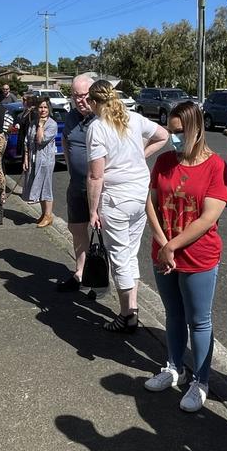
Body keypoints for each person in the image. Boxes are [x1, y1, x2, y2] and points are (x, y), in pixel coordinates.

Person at [144, 102, 227, 413]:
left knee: (199, 320)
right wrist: (163, 242)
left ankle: (201, 380)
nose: (174, 137)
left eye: (180, 132)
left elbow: (208, 218)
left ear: (197, 130)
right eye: (171, 130)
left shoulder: (215, 166)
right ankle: (173, 367)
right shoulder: (165, 161)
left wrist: (173, 245)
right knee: (173, 315)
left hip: (198, 256)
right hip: (164, 252)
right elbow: (150, 203)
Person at [86, 80, 169, 332]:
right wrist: (139, 156)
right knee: (130, 253)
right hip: (140, 195)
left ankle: (126, 315)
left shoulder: (97, 127)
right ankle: (132, 307)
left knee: (120, 257)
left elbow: (96, 175)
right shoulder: (133, 118)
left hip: (117, 198)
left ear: (93, 102)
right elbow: (162, 135)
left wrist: (92, 210)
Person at [57, 74, 96, 292]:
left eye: (84, 96)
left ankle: (100, 277)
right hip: (77, 185)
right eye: (75, 96)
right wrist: (71, 167)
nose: (80, 100)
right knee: (77, 229)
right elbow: (65, 139)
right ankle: (80, 273)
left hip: (101, 189)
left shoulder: (104, 117)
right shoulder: (71, 117)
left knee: (104, 235)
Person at [22, 96, 58, 228]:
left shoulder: (51, 124)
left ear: (49, 109)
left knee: (45, 186)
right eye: (40, 107)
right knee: (38, 185)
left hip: (45, 160)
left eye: (45, 107)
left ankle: (48, 216)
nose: (43, 110)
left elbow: (40, 140)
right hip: (33, 158)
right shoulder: (33, 122)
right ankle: (44, 214)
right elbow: (27, 141)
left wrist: (41, 125)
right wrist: (25, 158)